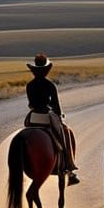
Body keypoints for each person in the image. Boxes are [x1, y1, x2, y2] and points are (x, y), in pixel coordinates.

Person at [25, 53, 80, 186]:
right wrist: (59, 116)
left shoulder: (29, 85)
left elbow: (30, 103)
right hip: (46, 116)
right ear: (46, 70)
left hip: (33, 117)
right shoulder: (50, 85)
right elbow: (55, 104)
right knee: (64, 133)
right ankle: (69, 167)